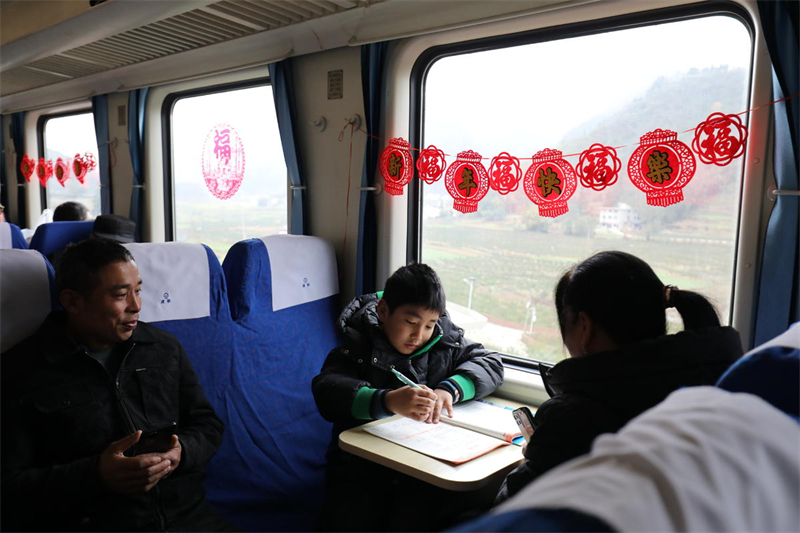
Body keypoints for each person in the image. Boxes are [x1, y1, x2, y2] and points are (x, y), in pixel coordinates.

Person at [1, 239, 234, 532]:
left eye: (138, 290)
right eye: (121, 295)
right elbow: (8, 485)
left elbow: (207, 424)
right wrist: (96, 474)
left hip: (188, 515)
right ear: (73, 302)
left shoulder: (162, 348)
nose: (136, 306)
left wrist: (180, 452)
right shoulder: (20, 371)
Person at [495, 250, 743, 503]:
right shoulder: (720, 386)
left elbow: (508, 511)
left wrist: (531, 459)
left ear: (584, 326)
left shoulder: (572, 420)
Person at [312, 263, 504, 531]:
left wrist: (450, 389)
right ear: (383, 311)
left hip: (422, 466)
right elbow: (327, 389)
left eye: (429, 325)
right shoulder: (358, 345)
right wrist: (386, 401)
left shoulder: (444, 341)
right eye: (411, 323)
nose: (419, 335)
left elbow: (490, 363)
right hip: (361, 468)